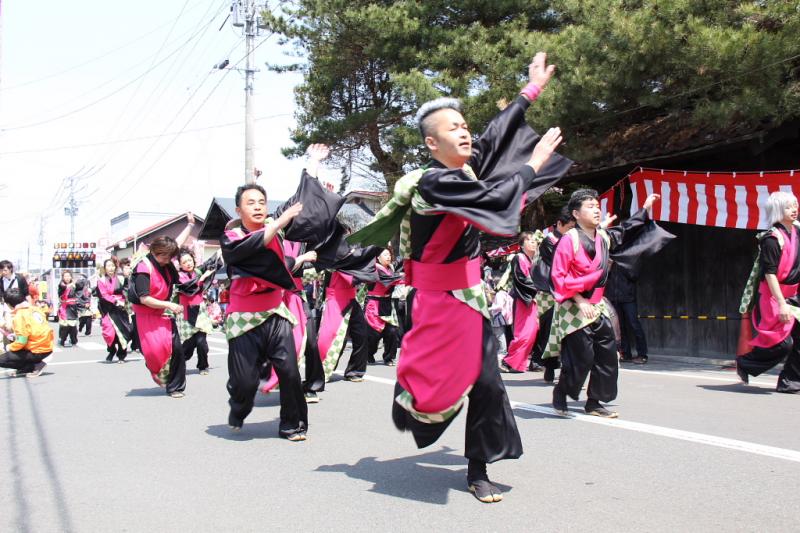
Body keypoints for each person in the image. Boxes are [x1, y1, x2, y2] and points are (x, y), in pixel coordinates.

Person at [349, 52, 572, 503]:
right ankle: (410, 401)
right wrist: (534, 163)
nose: (465, 130)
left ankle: (478, 467)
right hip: (433, 300)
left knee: (487, 381)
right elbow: (493, 196)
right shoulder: (436, 183)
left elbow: (493, 134)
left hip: (470, 297)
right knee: (432, 388)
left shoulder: (465, 169)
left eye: (464, 124)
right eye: (453, 128)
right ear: (432, 144)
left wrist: (530, 92)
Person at [548, 189, 664, 418]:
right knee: (582, 357)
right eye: (590, 206)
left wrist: (646, 209)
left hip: (597, 304)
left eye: (597, 206)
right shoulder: (568, 240)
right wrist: (580, 300)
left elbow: (626, 229)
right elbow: (558, 277)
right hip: (573, 305)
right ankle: (561, 391)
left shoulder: (603, 237)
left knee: (607, 354)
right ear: (576, 213)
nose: (596, 210)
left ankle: (594, 402)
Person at [737, 191, 800, 393]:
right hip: (775, 295)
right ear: (778, 210)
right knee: (782, 343)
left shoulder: (797, 232)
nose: (794, 209)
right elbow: (770, 274)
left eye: (795, 205)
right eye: (789, 206)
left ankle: (790, 381)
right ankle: (746, 362)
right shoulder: (772, 238)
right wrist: (782, 303)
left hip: (795, 293)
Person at [130, 218, 194, 398]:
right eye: (163, 256)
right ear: (154, 251)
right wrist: (169, 304)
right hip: (147, 315)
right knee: (155, 352)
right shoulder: (144, 267)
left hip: (164, 314)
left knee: (176, 349)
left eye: (169, 256)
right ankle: (157, 370)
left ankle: (176, 387)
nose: (167, 260)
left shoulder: (165, 261)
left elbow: (177, 244)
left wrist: (189, 225)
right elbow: (144, 298)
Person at [529, 207, 574, 381]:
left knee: (568, 333)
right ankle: (549, 367)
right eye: (569, 227)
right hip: (548, 294)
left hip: (565, 291)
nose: (571, 230)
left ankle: (567, 371)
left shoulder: (568, 239)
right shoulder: (550, 240)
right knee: (549, 333)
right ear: (559, 224)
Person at [175, 249, 221, 376]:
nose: (188, 263)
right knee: (189, 343)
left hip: (200, 311)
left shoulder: (198, 271)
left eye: (190, 260)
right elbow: (189, 288)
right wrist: (203, 277)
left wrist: (220, 249)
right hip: (186, 313)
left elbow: (211, 261)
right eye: (184, 262)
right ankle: (177, 364)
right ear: (180, 264)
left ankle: (203, 366)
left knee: (201, 342)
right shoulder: (178, 276)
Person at [501, 231, 540, 373]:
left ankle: (518, 363)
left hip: (531, 299)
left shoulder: (532, 260)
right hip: (524, 299)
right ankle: (508, 361)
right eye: (529, 240)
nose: (533, 242)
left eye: (534, 240)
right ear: (522, 245)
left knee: (532, 332)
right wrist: (536, 290)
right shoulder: (519, 258)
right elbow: (522, 279)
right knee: (523, 334)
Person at [0, 288, 54, 377]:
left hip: (37, 350)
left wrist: (9, 347)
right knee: (13, 341)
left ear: (9, 304)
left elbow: (22, 341)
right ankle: (26, 367)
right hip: (47, 346)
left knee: (2, 359)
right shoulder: (35, 309)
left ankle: (34, 366)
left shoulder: (20, 316)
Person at [365, 248, 403, 366]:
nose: (388, 257)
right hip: (374, 304)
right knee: (374, 334)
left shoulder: (390, 268)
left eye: (389, 255)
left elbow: (400, 262)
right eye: (385, 255)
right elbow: (388, 280)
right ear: (378, 257)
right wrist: (402, 276)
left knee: (392, 331)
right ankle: (368, 354)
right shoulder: (375, 269)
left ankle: (389, 357)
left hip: (387, 303)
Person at [605, 261, 648, 363]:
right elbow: (604, 277)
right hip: (615, 298)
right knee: (621, 327)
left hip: (628, 298)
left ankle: (642, 354)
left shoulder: (628, 259)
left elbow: (634, 276)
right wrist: (609, 267)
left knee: (634, 324)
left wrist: (624, 264)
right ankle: (625, 353)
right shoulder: (610, 260)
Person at [97, 257, 133, 363]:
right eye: (108, 266)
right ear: (104, 268)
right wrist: (115, 301)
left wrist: (125, 301)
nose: (111, 268)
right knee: (108, 333)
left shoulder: (121, 278)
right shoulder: (101, 280)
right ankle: (112, 350)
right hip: (108, 309)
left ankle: (121, 355)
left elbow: (127, 290)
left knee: (123, 332)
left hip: (121, 308)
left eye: (112, 265)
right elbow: (103, 295)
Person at [57, 270, 79, 347]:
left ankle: (73, 340)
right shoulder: (61, 285)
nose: (67, 278)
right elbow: (62, 286)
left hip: (73, 308)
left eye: (68, 276)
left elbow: (80, 290)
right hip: (64, 308)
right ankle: (62, 340)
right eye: (65, 276)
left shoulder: (74, 285)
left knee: (73, 326)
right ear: (63, 277)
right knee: (65, 326)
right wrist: (70, 285)